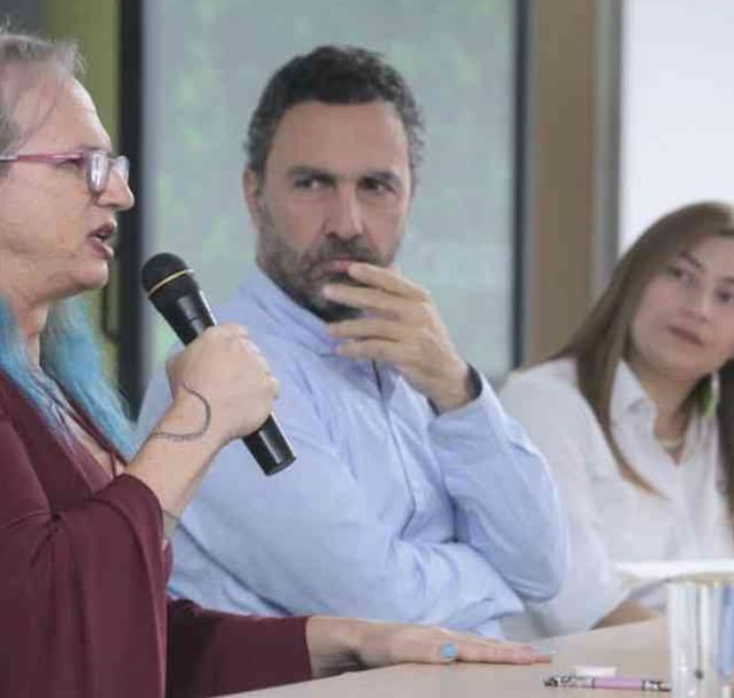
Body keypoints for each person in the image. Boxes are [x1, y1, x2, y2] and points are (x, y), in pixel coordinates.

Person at [0, 30, 547, 698]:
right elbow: (58, 628)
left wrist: (349, 641)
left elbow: (149, 639)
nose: (120, 193)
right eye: (82, 165)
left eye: (113, 165)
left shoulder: (39, 379)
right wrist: (200, 424)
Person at [135, 45, 567, 637]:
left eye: (376, 186)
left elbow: (543, 569)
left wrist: (457, 390)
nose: (346, 223)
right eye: (313, 183)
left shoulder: (424, 363)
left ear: (411, 196)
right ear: (254, 195)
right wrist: (498, 581)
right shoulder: (217, 373)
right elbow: (379, 605)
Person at [498, 201, 734, 637]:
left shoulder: (724, 441)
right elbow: (578, 606)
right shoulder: (545, 402)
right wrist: (714, 656)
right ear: (634, 281)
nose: (699, 308)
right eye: (680, 275)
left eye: (728, 297)